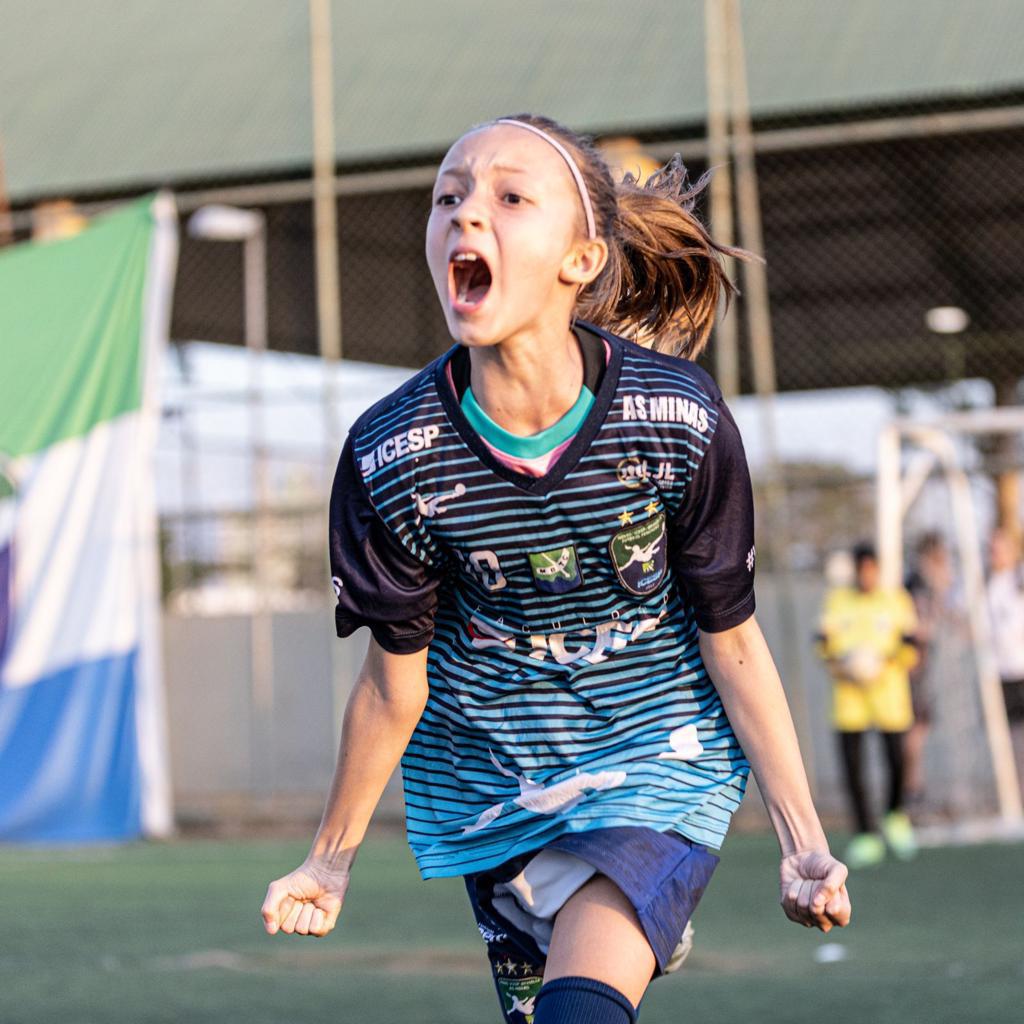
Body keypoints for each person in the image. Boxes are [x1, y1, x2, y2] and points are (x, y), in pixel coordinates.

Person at [260, 114, 850, 1024]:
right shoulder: (393, 455)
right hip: (496, 781)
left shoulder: (676, 419)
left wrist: (803, 843)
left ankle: (637, 890)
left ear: (581, 258)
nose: (465, 216)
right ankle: (618, 910)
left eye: (508, 197)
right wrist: (328, 860)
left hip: (659, 760)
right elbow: (391, 688)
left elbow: (731, 644)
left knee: (584, 1007)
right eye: (448, 197)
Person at [816, 543, 919, 868]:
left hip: (889, 696)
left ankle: (895, 815)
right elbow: (821, 644)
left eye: (872, 569)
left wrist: (884, 663)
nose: (867, 575)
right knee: (853, 768)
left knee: (898, 762)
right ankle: (865, 833)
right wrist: (844, 665)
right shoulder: (837, 601)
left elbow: (913, 646)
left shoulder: (896, 601)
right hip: (850, 700)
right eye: (862, 569)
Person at [903, 532, 956, 807]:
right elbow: (919, 627)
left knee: (919, 727)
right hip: (915, 666)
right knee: (915, 727)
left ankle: (914, 785)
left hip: (921, 665)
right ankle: (912, 787)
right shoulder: (918, 582)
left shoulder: (925, 583)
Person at [985, 527, 1024, 794]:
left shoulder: (1018, 581)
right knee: (1007, 742)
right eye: (993, 549)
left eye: (1001, 548)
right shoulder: (984, 585)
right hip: (997, 676)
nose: (996, 554)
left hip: (1021, 671)